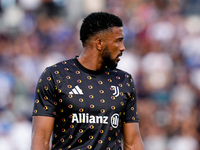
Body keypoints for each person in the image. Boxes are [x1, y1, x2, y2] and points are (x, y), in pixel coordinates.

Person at [31, 12, 144, 150]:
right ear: (99, 43)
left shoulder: (124, 81)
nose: (122, 48)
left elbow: (132, 142)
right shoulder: (55, 76)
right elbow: (41, 138)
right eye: (118, 41)